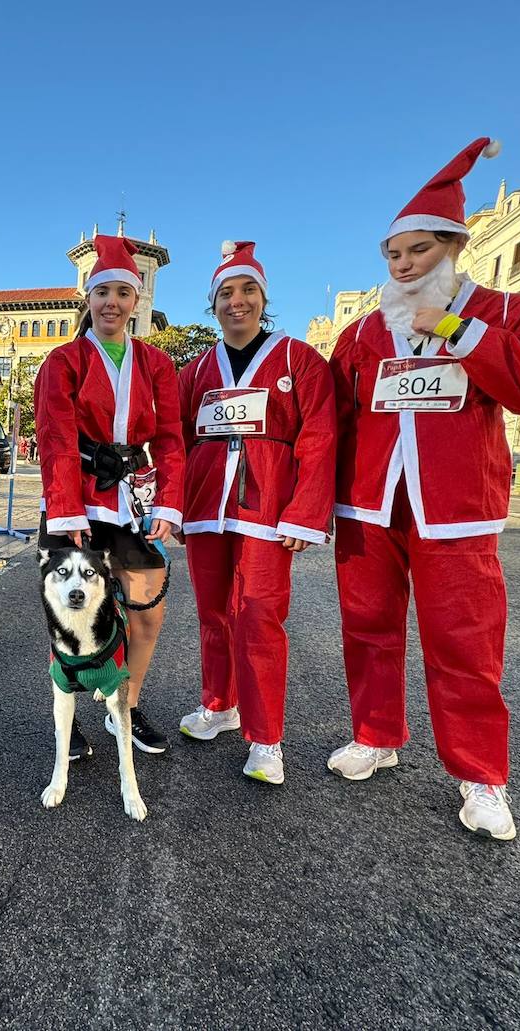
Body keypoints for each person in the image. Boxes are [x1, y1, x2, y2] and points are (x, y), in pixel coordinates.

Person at [327, 137, 520, 841]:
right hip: (369, 504)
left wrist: (460, 330)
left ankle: (481, 776)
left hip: (455, 510)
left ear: (453, 247)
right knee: (367, 628)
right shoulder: (363, 331)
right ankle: (376, 734)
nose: (404, 266)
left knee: (464, 641)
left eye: (419, 252)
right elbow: (335, 418)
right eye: (394, 255)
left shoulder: (505, 312)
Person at [176, 242, 335, 784]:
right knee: (212, 613)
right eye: (225, 293)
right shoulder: (196, 369)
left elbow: (319, 436)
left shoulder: (298, 359)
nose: (236, 301)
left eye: (247, 291)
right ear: (213, 304)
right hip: (205, 510)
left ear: (263, 299)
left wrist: (304, 513)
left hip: (268, 511)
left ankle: (266, 739)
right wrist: (170, 506)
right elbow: (173, 439)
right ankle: (220, 705)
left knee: (260, 617)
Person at [34, 234, 185, 757]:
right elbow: (54, 436)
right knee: (73, 617)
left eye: (123, 293)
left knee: (147, 613)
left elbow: (169, 437)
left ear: (136, 299)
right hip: (75, 499)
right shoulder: (63, 361)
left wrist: (169, 500)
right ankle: (70, 714)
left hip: (133, 500)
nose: (112, 304)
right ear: (89, 299)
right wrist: (65, 506)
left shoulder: (157, 365)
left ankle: (127, 706)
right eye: (103, 294)